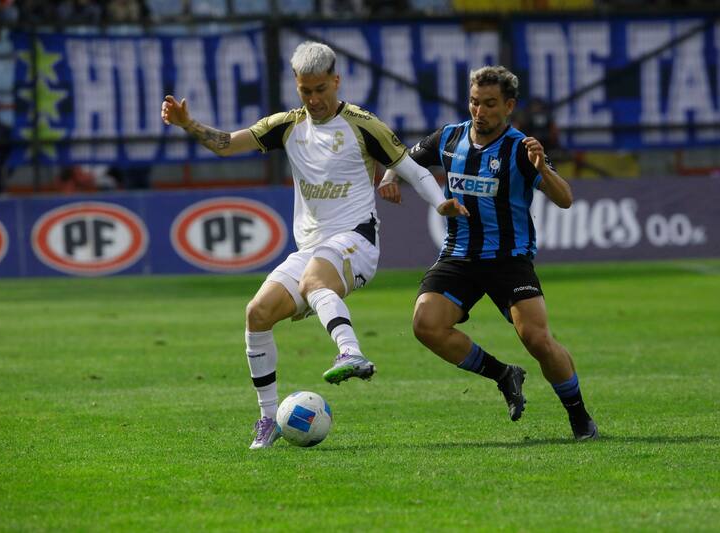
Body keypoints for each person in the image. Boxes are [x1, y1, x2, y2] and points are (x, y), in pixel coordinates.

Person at [161, 41, 467, 449]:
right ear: (296, 86)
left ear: (336, 81)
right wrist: (189, 124)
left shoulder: (362, 124)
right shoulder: (287, 125)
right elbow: (228, 144)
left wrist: (440, 202)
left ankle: (350, 352)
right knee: (257, 313)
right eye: (306, 90)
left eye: (321, 89)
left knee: (313, 279)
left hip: (356, 240)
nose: (314, 98)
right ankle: (267, 419)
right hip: (310, 249)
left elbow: (410, 169)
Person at [378, 65, 598, 440]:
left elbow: (565, 199)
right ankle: (503, 374)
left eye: (490, 104)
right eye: (474, 102)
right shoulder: (448, 138)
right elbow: (403, 160)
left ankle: (580, 417)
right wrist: (389, 176)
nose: (479, 112)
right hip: (459, 256)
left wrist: (542, 168)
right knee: (425, 324)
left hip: (509, 259)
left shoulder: (520, 148)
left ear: (509, 106)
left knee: (537, 340)